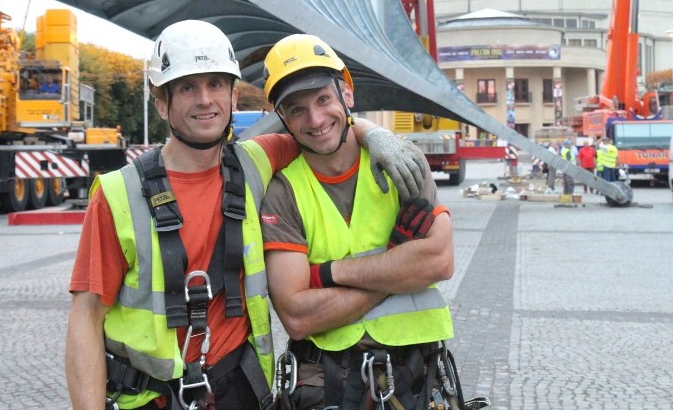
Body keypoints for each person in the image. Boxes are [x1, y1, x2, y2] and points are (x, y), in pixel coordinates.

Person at [65, 21, 428, 410]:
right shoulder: (119, 194)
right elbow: (86, 318)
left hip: (238, 389)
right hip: (150, 397)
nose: (205, 100)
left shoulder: (256, 161)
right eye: (188, 87)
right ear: (161, 101)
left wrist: (375, 135)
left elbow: (321, 126)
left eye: (216, 84)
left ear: (234, 97)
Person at [260, 35, 482, 410]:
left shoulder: (401, 163)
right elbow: (297, 316)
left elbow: (439, 262)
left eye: (323, 99)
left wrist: (328, 274)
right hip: (326, 384)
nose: (315, 120)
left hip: (417, 375)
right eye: (297, 110)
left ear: (347, 95)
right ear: (283, 118)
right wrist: (398, 269)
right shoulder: (282, 190)